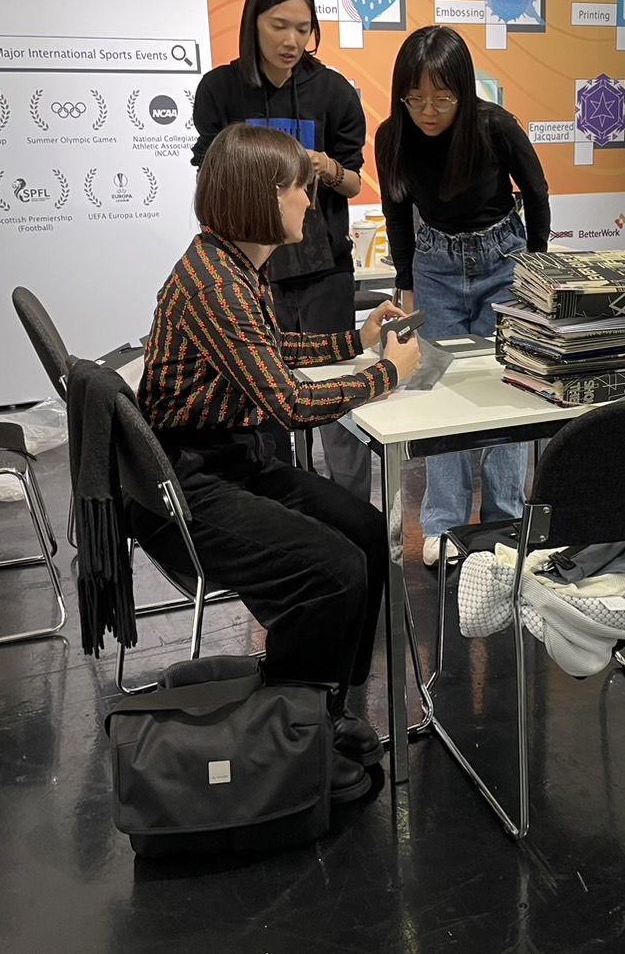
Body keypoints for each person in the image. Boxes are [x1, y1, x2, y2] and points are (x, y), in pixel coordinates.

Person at [139, 123, 422, 800]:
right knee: (334, 568)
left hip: (226, 461)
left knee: (364, 534)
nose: (309, 201)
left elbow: (264, 353)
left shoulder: (230, 264)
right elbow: (288, 403)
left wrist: (356, 341)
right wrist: (386, 373)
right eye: (300, 188)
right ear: (266, 195)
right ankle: (290, 738)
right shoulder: (217, 282)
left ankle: (322, 709)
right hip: (188, 485)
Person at [191, 0, 374, 502]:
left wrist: (325, 167)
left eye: (303, 28)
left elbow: (354, 180)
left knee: (337, 406)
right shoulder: (220, 90)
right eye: (279, 26)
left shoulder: (333, 91)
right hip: (253, 273)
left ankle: (350, 511)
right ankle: (282, 511)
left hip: (324, 268)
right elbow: (209, 176)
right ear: (254, 23)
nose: (292, 40)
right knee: (264, 406)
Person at [375, 26, 551, 567]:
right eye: (416, 99)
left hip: (504, 261)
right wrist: (406, 283)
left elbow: (537, 192)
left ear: (464, 91)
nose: (428, 112)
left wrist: (536, 270)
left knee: (509, 388)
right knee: (438, 391)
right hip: (435, 265)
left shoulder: (495, 126)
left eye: (442, 99)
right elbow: (396, 211)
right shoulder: (392, 136)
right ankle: (444, 525)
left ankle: (505, 520)